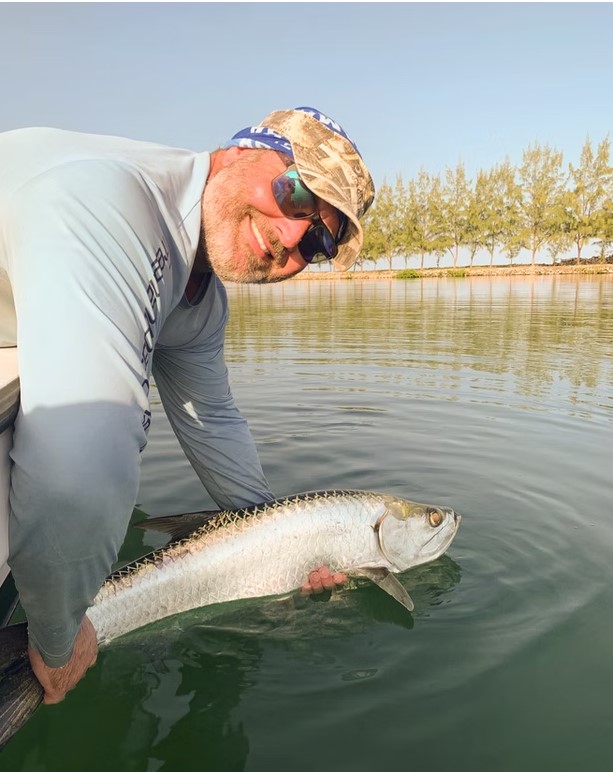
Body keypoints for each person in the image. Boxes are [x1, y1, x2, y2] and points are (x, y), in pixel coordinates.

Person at [0, 106, 375, 704]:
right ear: (239, 151)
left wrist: (282, 543)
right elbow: (79, 473)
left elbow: (214, 422)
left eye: (322, 241)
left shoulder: (201, 305)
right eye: (298, 194)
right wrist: (56, 641)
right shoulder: (112, 202)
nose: (291, 237)